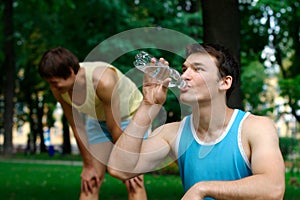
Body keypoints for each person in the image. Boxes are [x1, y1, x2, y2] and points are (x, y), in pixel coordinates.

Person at [107, 43, 286, 199]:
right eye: (184, 69)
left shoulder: (255, 127)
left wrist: (203, 189)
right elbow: (120, 168)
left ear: (224, 82)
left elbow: (273, 188)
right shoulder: (172, 134)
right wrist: (148, 105)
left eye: (198, 69)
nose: (184, 76)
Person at [38, 47, 147, 200]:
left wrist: (126, 162)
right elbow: (77, 126)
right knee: (91, 180)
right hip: (97, 119)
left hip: (131, 117)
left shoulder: (103, 80)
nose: (52, 88)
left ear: (70, 72)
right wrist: (88, 165)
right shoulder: (59, 90)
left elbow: (114, 126)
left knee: (134, 181)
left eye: (54, 83)